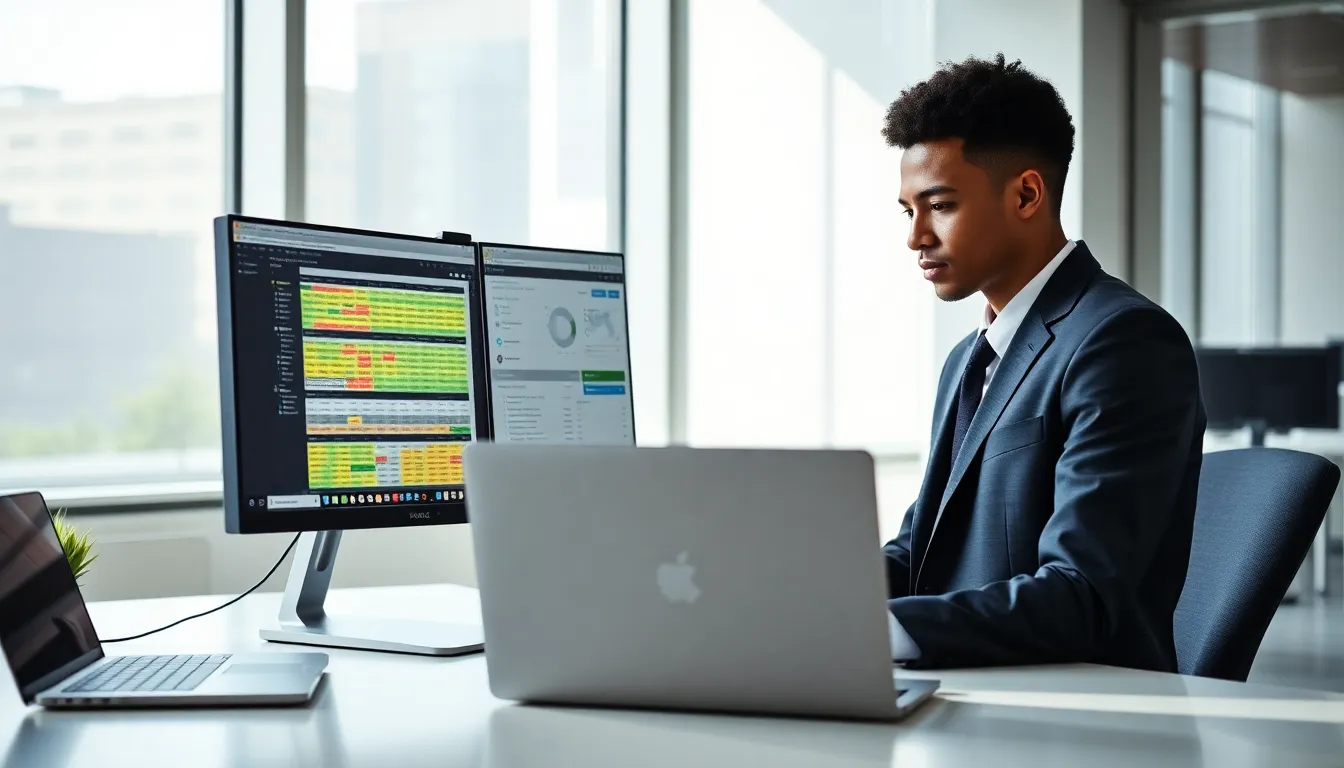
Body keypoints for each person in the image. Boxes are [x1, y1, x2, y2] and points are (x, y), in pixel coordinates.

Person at [880, 53, 1206, 671]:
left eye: (940, 205)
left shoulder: (1124, 341)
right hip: (966, 686)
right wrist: (809, 602)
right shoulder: (967, 361)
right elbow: (919, 550)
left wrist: (879, 631)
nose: (916, 235)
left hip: (1071, 714)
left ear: (1027, 194)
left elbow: (1080, 596)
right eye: (908, 210)